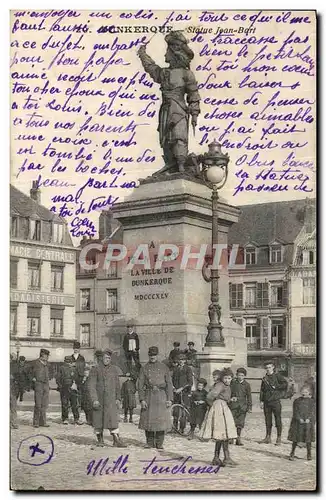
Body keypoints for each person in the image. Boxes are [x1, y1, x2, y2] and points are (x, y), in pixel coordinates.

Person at [137, 31, 201, 174]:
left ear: (174, 53)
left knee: (179, 136)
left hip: (178, 110)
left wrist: (194, 113)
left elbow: (193, 94)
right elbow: (151, 68)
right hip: (165, 110)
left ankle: (181, 166)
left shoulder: (186, 74)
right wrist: (143, 55)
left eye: (167, 51)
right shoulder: (165, 73)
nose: (165, 54)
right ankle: (171, 164)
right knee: (166, 139)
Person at [200, 367, 237, 467]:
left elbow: (223, 396)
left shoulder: (226, 386)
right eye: (225, 378)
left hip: (223, 407)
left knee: (222, 435)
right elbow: (210, 396)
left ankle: (221, 457)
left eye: (229, 378)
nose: (227, 380)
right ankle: (223, 458)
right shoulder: (220, 385)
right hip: (219, 409)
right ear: (222, 378)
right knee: (222, 434)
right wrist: (215, 406)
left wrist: (229, 400)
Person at [138, 346, 173, 450]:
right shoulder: (144, 368)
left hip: (161, 396)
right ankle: (149, 442)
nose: (152, 357)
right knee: (147, 419)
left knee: (161, 420)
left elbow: (169, 384)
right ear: (148, 355)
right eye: (150, 355)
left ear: (157, 355)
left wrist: (169, 399)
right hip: (149, 395)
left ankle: (159, 442)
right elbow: (140, 385)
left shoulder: (164, 367)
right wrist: (142, 399)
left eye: (154, 355)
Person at [88, 349, 125, 447]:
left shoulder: (114, 370)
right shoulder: (95, 369)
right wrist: (94, 399)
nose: (107, 360)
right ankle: (100, 440)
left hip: (110, 400)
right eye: (105, 358)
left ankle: (116, 440)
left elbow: (117, 385)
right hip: (99, 400)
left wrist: (118, 398)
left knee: (112, 420)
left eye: (109, 358)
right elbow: (91, 386)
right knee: (98, 420)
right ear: (101, 358)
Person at [259, 360, 288, 445]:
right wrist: (261, 401)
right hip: (267, 402)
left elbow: (285, 384)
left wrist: (277, 387)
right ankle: (268, 437)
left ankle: (278, 438)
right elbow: (262, 390)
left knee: (278, 419)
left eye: (269, 367)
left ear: (273, 367)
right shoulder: (264, 378)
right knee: (268, 420)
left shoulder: (277, 376)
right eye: (266, 368)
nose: (268, 369)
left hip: (275, 401)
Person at [288, 385, 315, 461]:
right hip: (298, 422)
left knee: (308, 439)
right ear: (300, 392)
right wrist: (299, 418)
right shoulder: (297, 401)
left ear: (309, 393)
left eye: (306, 392)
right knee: (295, 438)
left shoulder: (312, 402)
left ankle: (309, 454)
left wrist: (308, 419)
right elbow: (295, 411)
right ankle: (292, 453)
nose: (304, 393)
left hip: (308, 423)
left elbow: (313, 411)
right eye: (303, 391)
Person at [56, 356, 83, 425]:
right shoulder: (61, 368)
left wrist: (76, 385)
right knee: (65, 404)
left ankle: (76, 418)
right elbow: (58, 378)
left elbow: (78, 378)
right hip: (64, 388)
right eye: (67, 361)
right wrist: (60, 387)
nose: (68, 363)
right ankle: (65, 418)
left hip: (73, 388)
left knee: (74, 404)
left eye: (69, 361)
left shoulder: (74, 369)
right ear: (65, 361)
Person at [229, 368, 252, 446]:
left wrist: (249, 407)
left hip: (242, 406)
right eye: (239, 375)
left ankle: (238, 438)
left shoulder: (247, 385)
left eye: (242, 375)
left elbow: (249, 396)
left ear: (244, 376)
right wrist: (230, 399)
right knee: (232, 421)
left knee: (240, 423)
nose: (240, 377)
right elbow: (230, 393)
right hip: (233, 405)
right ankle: (231, 437)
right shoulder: (233, 383)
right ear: (236, 375)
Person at [172, 353, 193, 433]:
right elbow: (172, 380)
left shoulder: (188, 369)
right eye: (180, 360)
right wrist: (174, 388)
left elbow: (190, 382)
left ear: (185, 361)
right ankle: (174, 427)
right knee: (175, 410)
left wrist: (181, 388)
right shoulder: (176, 369)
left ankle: (182, 428)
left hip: (184, 393)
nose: (181, 361)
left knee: (183, 411)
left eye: (183, 360)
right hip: (176, 392)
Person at [30, 349, 50, 428]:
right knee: (38, 404)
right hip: (38, 384)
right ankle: (36, 422)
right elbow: (27, 371)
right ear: (42, 355)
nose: (47, 357)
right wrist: (32, 378)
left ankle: (43, 422)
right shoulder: (35, 363)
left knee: (44, 405)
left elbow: (51, 372)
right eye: (46, 355)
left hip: (46, 385)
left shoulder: (47, 364)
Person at [10, 357, 19, 429]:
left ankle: (14, 423)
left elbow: (19, 377)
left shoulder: (14, 367)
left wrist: (15, 378)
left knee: (13, 408)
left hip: (12, 390)